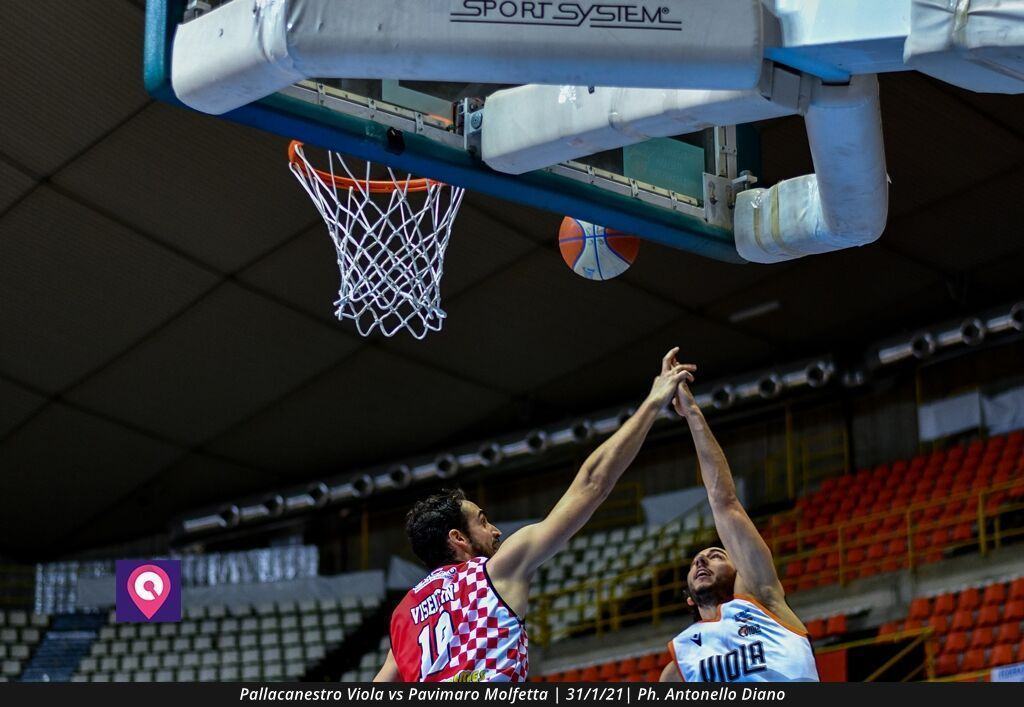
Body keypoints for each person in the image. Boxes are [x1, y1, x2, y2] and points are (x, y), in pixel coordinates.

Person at [374, 349, 695, 682]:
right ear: (457, 538)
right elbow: (593, 483)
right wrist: (652, 404)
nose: (496, 531)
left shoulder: (403, 616)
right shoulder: (495, 571)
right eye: (482, 521)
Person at [661, 355, 819, 682]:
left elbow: (724, 501)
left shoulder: (764, 598)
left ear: (740, 572)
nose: (702, 561)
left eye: (716, 555)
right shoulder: (680, 666)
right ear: (689, 597)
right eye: (695, 563)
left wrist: (692, 413)